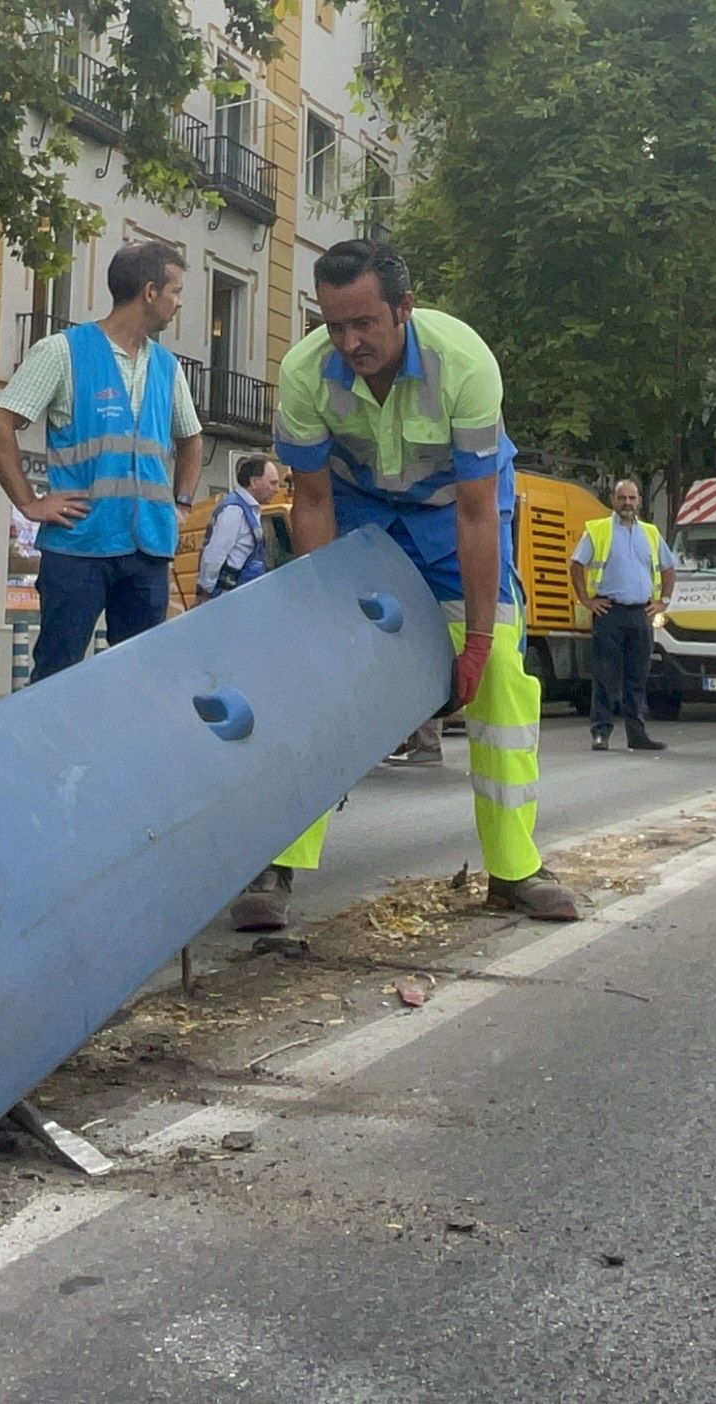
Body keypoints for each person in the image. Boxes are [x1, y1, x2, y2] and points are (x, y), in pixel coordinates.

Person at [229, 240, 581, 931]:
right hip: (358, 512)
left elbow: (481, 513)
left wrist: (478, 640)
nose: (349, 342)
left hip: (454, 514)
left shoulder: (466, 364)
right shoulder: (306, 375)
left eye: (365, 323)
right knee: (309, 673)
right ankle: (279, 864)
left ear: (404, 309)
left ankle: (514, 869)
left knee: (506, 675)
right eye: (334, 325)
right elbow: (313, 503)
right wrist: (321, 619)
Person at [0, 240, 205, 681]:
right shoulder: (62, 352)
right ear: (149, 292)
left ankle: (123, 752)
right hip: (79, 547)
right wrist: (29, 503)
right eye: (176, 291)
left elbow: (192, 440)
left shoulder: (166, 365)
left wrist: (179, 504)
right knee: (58, 673)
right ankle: (47, 752)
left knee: (139, 678)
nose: (179, 303)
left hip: (147, 550)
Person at [570, 478, 676, 752]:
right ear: (613, 500)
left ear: (639, 500)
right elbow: (576, 564)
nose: (627, 503)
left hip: (641, 613)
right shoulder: (598, 530)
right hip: (610, 613)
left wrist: (663, 601)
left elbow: (668, 568)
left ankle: (637, 734)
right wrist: (585, 600)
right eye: (622, 498)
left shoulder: (651, 534)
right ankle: (601, 732)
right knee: (606, 675)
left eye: (632, 498)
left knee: (637, 677)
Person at [198, 456, 278, 602]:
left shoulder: (248, 509)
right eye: (272, 483)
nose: (277, 490)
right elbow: (214, 554)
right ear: (254, 482)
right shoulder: (234, 510)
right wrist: (205, 592)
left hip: (242, 594)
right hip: (229, 596)